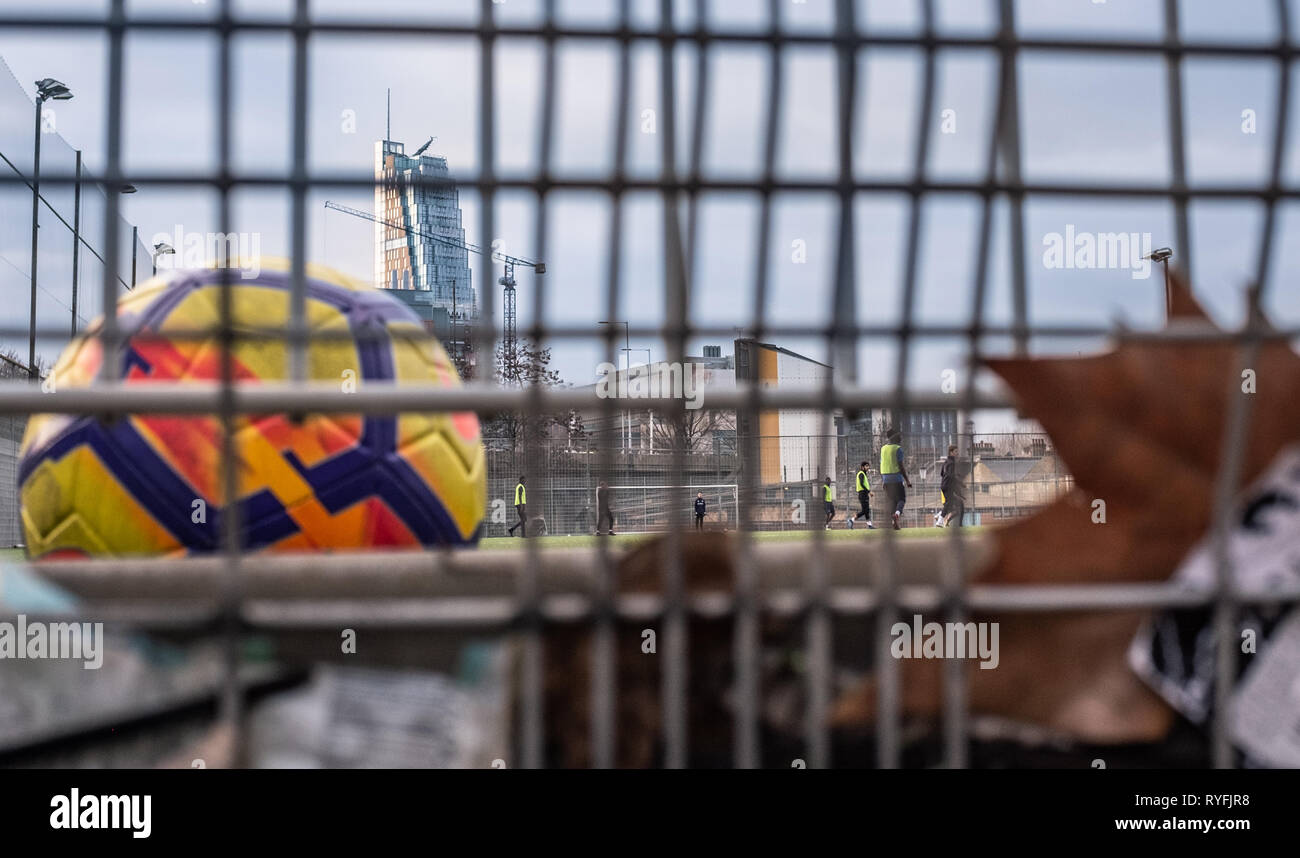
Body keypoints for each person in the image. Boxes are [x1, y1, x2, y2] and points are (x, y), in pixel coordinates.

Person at [879, 430, 912, 530]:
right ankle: (897, 514)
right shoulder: (898, 449)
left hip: (886, 478)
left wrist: (883, 480)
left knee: (892, 501)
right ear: (893, 437)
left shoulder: (883, 448)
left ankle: (894, 523)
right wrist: (907, 480)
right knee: (901, 499)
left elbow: (882, 464)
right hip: (896, 478)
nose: (900, 437)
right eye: (898, 435)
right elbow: (901, 466)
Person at [939, 444, 966, 527]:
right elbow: (951, 475)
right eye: (956, 452)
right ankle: (940, 520)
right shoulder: (951, 462)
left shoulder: (946, 461)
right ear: (951, 452)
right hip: (948, 486)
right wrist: (960, 483)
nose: (957, 453)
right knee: (949, 504)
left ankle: (940, 516)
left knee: (957, 504)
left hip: (944, 486)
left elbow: (941, 473)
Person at [852, 460, 875, 529]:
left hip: (864, 493)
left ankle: (870, 525)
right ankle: (852, 519)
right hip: (862, 493)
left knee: (866, 510)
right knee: (865, 510)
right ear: (862, 467)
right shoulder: (861, 473)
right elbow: (861, 484)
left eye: (868, 466)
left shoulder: (864, 474)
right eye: (866, 466)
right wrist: (869, 491)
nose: (868, 467)